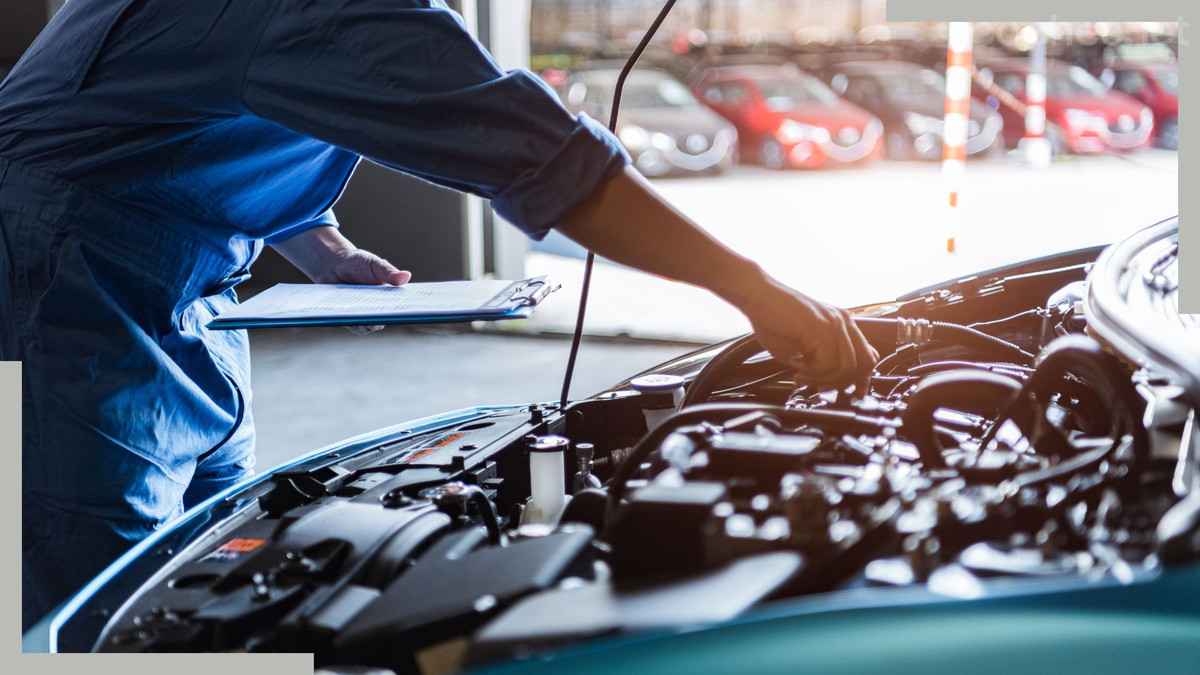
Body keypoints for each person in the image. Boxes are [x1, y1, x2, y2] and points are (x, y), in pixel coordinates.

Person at [1, 0, 877, 630]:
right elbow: (547, 162)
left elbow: (183, 111)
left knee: (217, 557)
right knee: (102, 592)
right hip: (62, 276)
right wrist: (759, 293)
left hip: (173, 277)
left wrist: (320, 244)